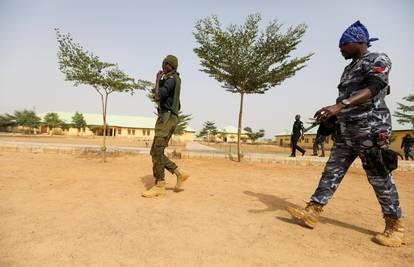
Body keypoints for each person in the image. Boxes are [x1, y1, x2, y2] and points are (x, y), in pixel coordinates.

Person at [286, 21, 406, 247]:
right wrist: (332, 112)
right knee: (331, 171)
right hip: (346, 130)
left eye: (344, 44)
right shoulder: (349, 68)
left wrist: (340, 106)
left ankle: (395, 225)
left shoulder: (377, 59)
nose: (340, 49)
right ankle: (313, 211)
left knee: (379, 176)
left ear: (360, 42)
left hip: (370, 129)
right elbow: (346, 99)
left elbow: (375, 87)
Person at [142, 55, 190, 198]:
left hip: (167, 118)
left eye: (166, 64)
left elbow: (157, 96)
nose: (163, 66)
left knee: (157, 151)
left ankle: (161, 185)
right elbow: (155, 92)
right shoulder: (171, 79)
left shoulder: (171, 80)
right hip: (166, 117)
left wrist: (157, 79)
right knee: (155, 152)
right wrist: (158, 82)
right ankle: (176, 175)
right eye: (163, 63)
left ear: (172, 66)